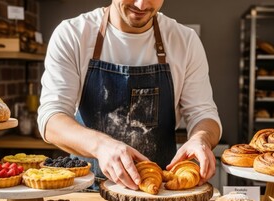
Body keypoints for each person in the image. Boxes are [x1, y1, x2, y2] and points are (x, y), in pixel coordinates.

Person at [37, 0, 222, 191]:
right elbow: (51, 120)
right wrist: (102, 146)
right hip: (86, 192)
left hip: (160, 193)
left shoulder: (185, 41)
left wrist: (201, 138)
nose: (141, 5)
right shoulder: (73, 34)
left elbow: (204, 114)